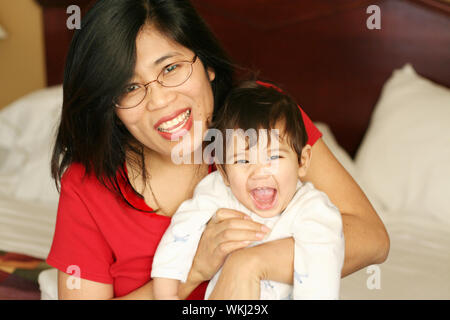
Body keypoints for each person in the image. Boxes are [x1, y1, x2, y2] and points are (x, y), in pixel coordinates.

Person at [47, 0, 389, 300]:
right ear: (111, 106)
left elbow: (372, 237)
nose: (161, 100)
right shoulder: (87, 185)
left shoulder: (263, 116)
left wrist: (251, 263)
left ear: (207, 65)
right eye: (130, 87)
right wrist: (193, 271)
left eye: (171, 68)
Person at [151, 81, 345, 300]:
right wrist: (166, 293)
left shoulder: (313, 211)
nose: (259, 171)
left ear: (302, 161)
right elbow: (180, 233)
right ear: (223, 173)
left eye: (274, 157)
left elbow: (321, 274)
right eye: (242, 160)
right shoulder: (220, 192)